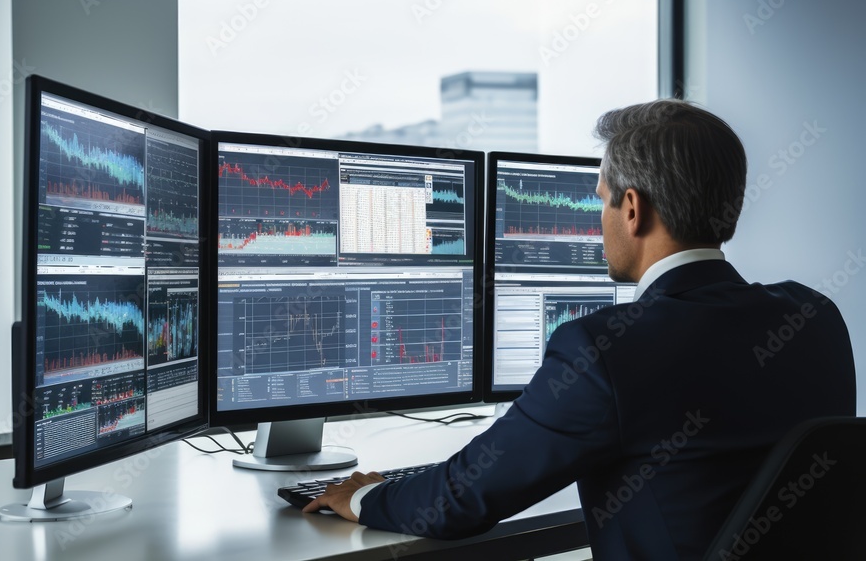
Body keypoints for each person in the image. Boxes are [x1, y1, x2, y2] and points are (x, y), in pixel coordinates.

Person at [303, 99, 857, 559]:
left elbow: (459, 499)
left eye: (600, 199)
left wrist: (365, 495)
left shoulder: (606, 351)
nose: (600, 221)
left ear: (632, 209)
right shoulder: (814, 318)